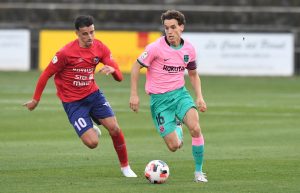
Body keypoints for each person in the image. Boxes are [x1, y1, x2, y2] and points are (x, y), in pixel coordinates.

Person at [24, 15, 137, 178]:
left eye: (92, 32)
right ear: (76, 33)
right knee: (92, 143)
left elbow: (119, 77)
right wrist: (35, 100)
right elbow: (46, 74)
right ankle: (90, 127)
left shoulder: (100, 48)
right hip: (73, 102)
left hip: (93, 95)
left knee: (114, 128)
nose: (90, 37)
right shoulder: (65, 53)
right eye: (85, 34)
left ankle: (125, 167)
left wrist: (114, 72)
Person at [129, 10, 207, 182]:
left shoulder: (189, 49)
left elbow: (193, 74)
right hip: (159, 101)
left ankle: (199, 172)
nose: (169, 31)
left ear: (181, 27)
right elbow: (135, 67)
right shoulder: (155, 48)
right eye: (166, 28)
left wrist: (199, 97)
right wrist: (134, 94)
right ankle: (177, 127)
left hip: (180, 95)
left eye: (173, 27)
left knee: (195, 128)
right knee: (174, 146)